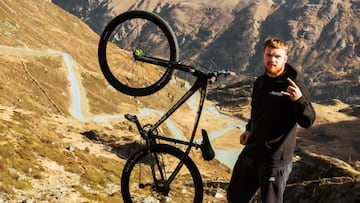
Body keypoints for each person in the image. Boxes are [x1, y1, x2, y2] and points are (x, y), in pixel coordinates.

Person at [227, 37, 316, 203]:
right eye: (269, 55)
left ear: (285, 59)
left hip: (275, 161)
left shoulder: (294, 85)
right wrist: (249, 128)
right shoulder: (260, 82)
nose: (272, 60)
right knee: (234, 197)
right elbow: (256, 111)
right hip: (251, 152)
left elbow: (308, 121)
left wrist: (299, 100)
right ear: (263, 56)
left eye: (277, 56)